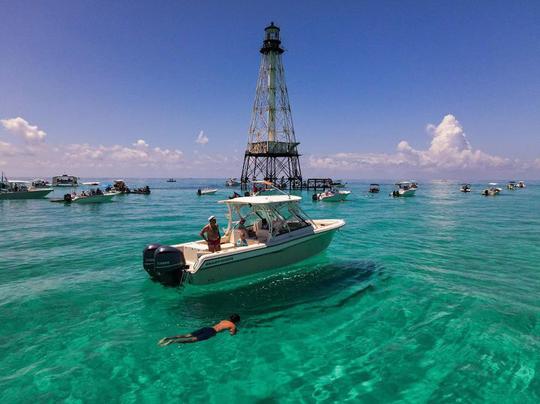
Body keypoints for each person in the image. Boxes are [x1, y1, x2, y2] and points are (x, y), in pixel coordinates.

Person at [158, 314, 240, 345]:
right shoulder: (233, 325)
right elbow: (232, 334)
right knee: (193, 340)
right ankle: (173, 341)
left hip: (208, 328)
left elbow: (221, 326)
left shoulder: (224, 320)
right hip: (212, 332)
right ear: (236, 321)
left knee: (187, 335)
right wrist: (235, 331)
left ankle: (168, 338)